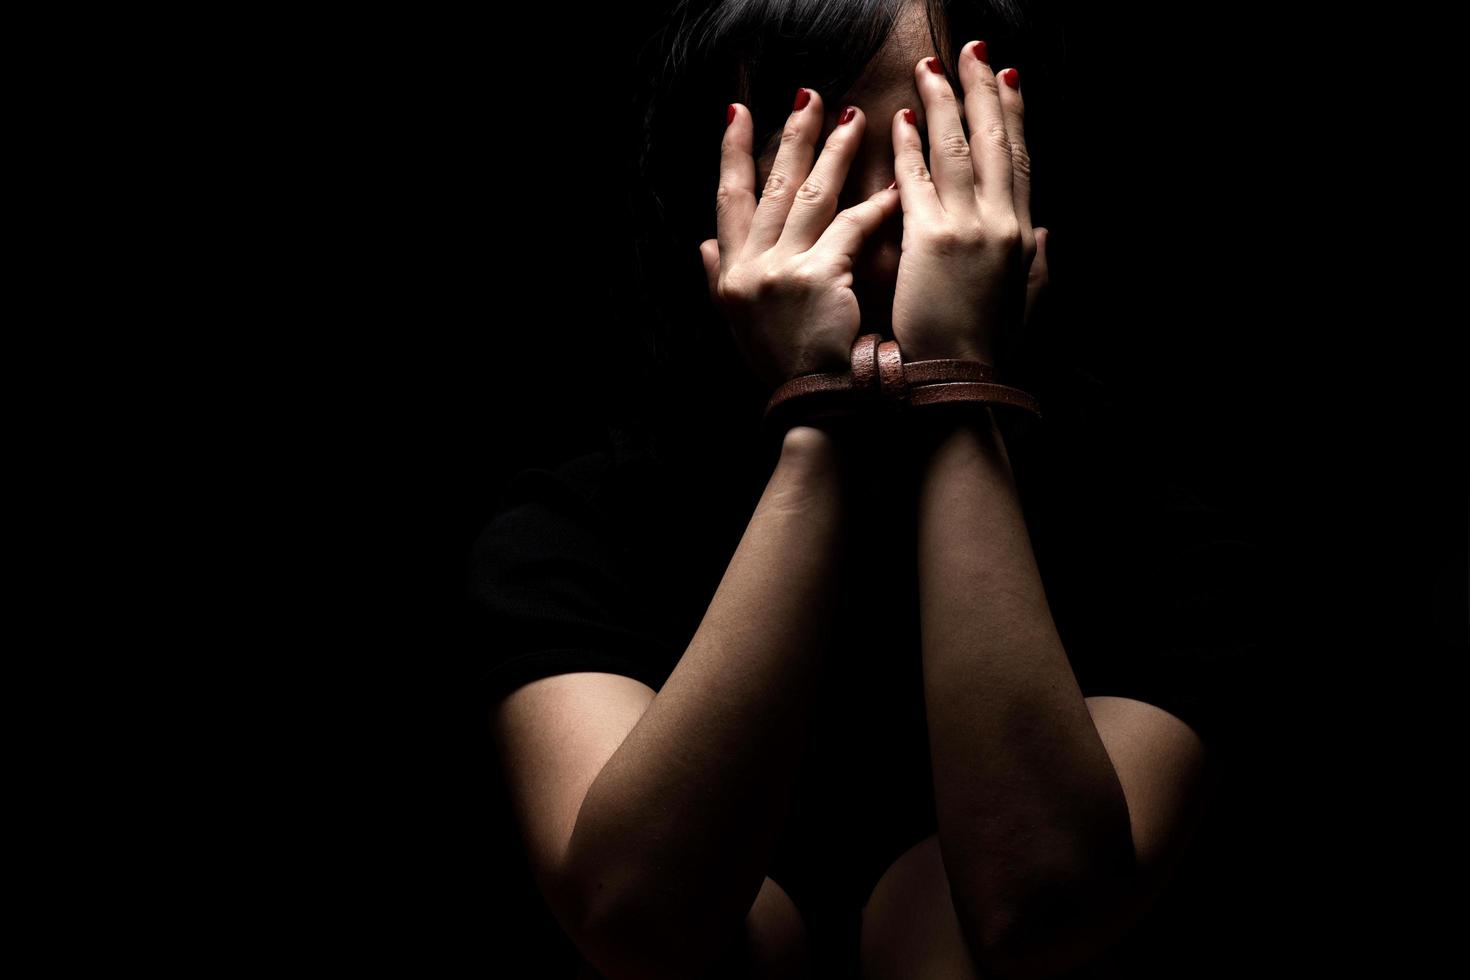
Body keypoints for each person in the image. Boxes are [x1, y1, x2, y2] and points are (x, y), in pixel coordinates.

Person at [470, 2, 1270, 977]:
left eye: (941, 155)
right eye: (819, 166)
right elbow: (642, 919)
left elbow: (1033, 909)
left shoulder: (1165, 546)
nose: (890, 223)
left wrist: (955, 383)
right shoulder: (576, 530)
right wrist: (817, 421)